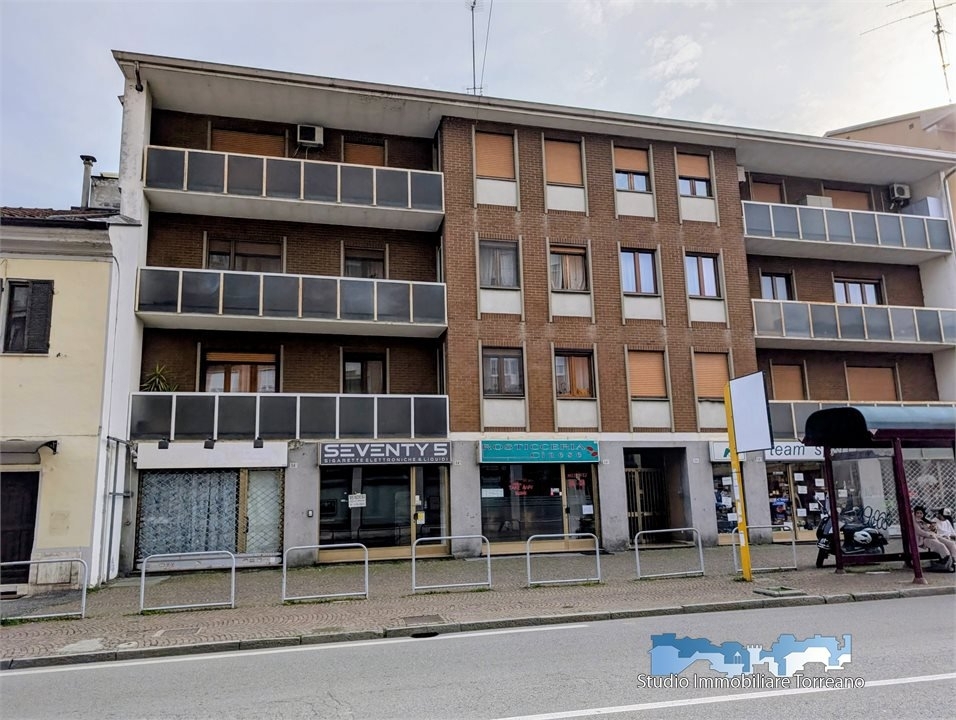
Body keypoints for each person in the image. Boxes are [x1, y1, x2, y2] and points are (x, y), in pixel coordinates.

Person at [913, 506, 956, 572]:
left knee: (951, 544)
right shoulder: (915, 521)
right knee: (941, 545)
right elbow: (919, 532)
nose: (919, 515)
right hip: (925, 539)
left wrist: (934, 534)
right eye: (917, 513)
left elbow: (934, 531)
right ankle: (946, 562)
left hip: (934, 536)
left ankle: (953, 562)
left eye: (921, 513)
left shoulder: (926, 520)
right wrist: (930, 535)